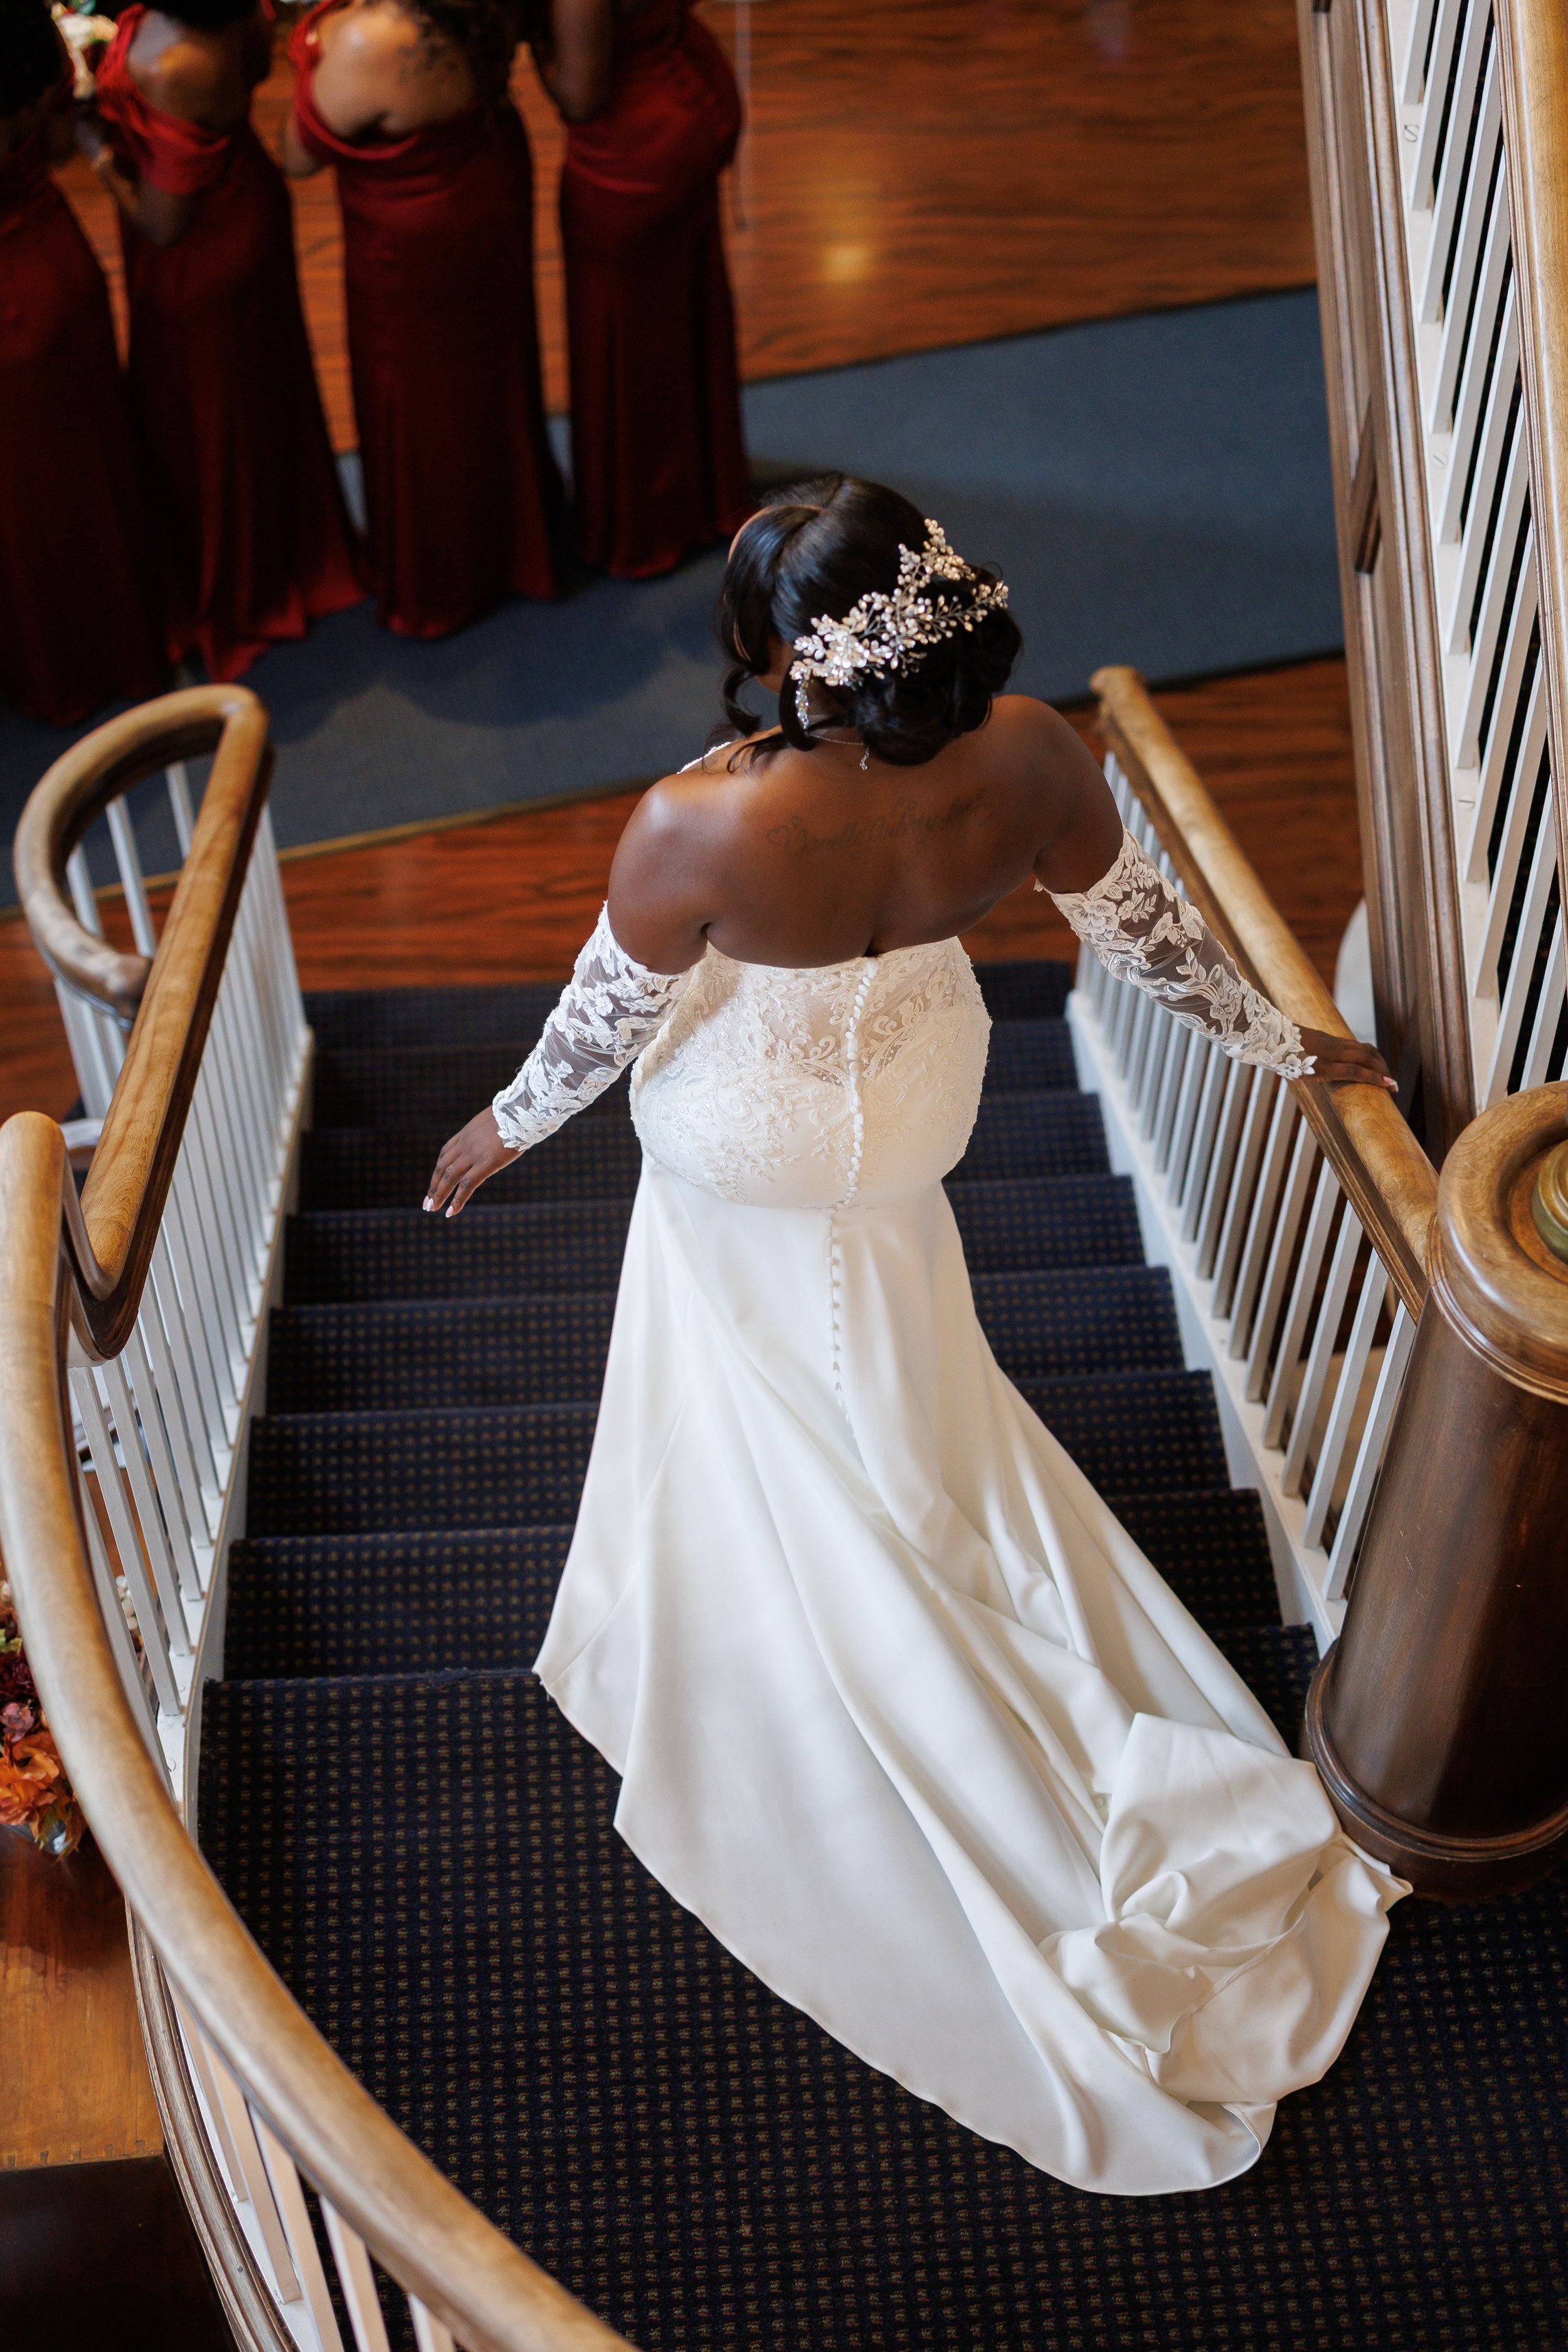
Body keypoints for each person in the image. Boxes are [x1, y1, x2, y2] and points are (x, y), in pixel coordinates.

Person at [423, 476, 1405, 2196]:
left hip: (750, 1135)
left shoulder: (693, 823)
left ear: (787, 653)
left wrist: (502, 1125)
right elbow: (1153, 940)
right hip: (909, 1109)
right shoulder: (1029, 754)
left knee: (759, 1354)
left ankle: (820, 1604)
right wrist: (1282, 1044)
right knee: (888, 1328)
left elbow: (602, 1017)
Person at [84, 0, 363, 682]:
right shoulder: (234, 11)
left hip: (199, 249)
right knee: (253, 400)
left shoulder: (178, 63)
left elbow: (163, 223)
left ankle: (243, 593)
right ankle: (286, 555)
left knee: (206, 418)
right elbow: (259, 65)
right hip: (240, 198)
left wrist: (95, 150)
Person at [282, 0, 563, 637]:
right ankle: (515, 544)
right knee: (493, 370)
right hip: (487, 177)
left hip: (409, 240)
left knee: (417, 400)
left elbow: (296, 154)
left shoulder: (365, 40)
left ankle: (441, 579)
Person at [535, 0, 750, 578]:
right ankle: (703, 494)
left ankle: (646, 522)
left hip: (632, 150)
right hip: (682, 100)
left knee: (625, 340)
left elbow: (580, 96)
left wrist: (537, 49)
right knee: (679, 324)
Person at [0, 3, 167, 727]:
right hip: (58, 264)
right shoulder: (22, 28)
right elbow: (64, 143)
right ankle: (128, 640)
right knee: (91, 466)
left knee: (23, 500)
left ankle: (55, 664)